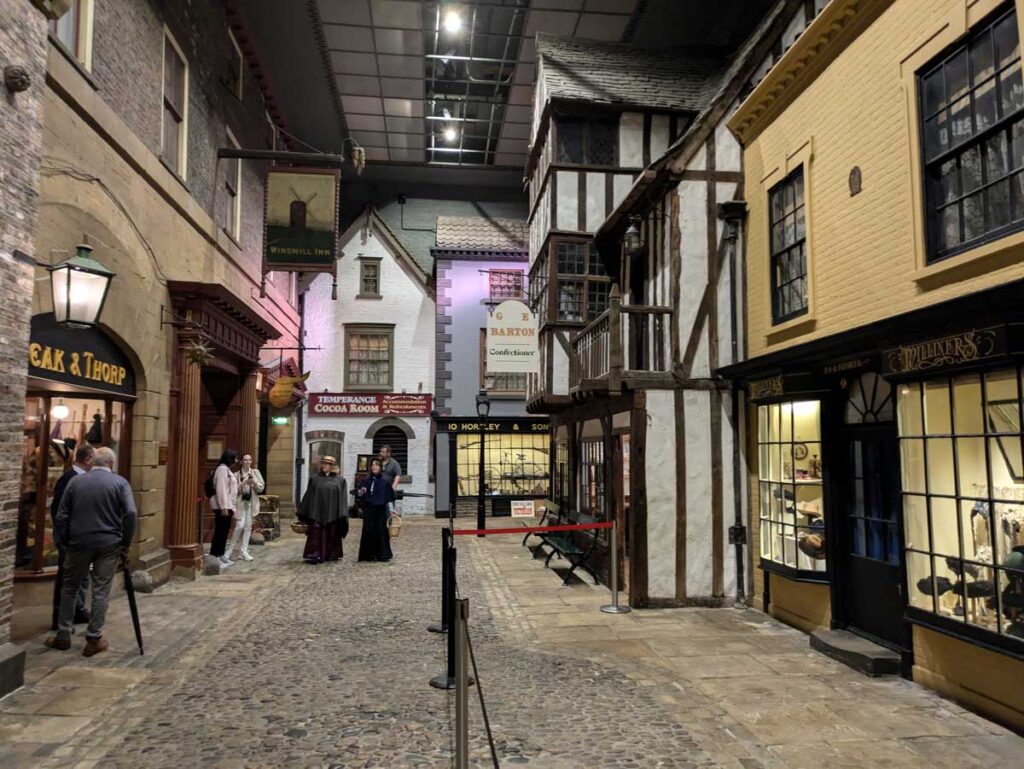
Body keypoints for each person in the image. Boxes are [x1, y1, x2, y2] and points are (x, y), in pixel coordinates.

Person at [47, 447, 136, 656]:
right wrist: (125, 543)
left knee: (70, 588)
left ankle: (63, 634)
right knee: (101, 590)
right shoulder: (120, 483)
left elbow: (61, 515)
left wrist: (63, 541)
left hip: (78, 542)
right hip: (108, 543)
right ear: (111, 463)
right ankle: (93, 637)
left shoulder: (76, 482)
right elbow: (131, 513)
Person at [50, 443, 95, 630]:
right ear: (87, 460)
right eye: (95, 459)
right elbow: (58, 511)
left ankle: (78, 610)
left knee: (83, 576)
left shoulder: (84, 479)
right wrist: (64, 538)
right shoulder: (68, 479)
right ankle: (59, 618)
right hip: (70, 539)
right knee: (67, 578)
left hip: (83, 538)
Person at [298, 456, 349, 564]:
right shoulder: (315, 479)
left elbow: (343, 497)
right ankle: (314, 554)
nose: (324, 465)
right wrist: (303, 512)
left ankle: (331, 554)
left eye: (327, 464)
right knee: (316, 532)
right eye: (323, 463)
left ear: (332, 466)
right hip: (317, 511)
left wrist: (343, 512)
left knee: (332, 532)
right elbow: (309, 495)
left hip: (333, 513)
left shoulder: (340, 480)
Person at [226, 453, 264, 562]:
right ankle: (229, 551)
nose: (248, 462)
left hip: (251, 503)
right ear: (241, 462)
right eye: (246, 460)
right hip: (240, 503)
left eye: (250, 460)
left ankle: (244, 551)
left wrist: (254, 482)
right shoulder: (236, 474)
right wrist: (244, 483)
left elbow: (261, 488)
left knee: (248, 527)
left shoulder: (255, 473)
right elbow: (233, 490)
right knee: (239, 526)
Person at [357, 458, 395, 563]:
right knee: (368, 531)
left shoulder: (385, 482)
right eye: (372, 465)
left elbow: (389, 498)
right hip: (369, 510)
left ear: (380, 467)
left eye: (377, 465)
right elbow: (359, 494)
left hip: (380, 511)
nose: (374, 467)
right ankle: (369, 555)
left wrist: (392, 511)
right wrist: (362, 491)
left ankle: (382, 555)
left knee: (380, 532)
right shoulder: (365, 480)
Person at [210, 450, 239, 567]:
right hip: (222, 507)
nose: (236, 460)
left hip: (228, 505)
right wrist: (224, 507)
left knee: (224, 531)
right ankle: (215, 555)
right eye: (235, 458)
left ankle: (221, 554)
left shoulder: (227, 470)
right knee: (220, 531)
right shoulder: (222, 470)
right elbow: (221, 489)